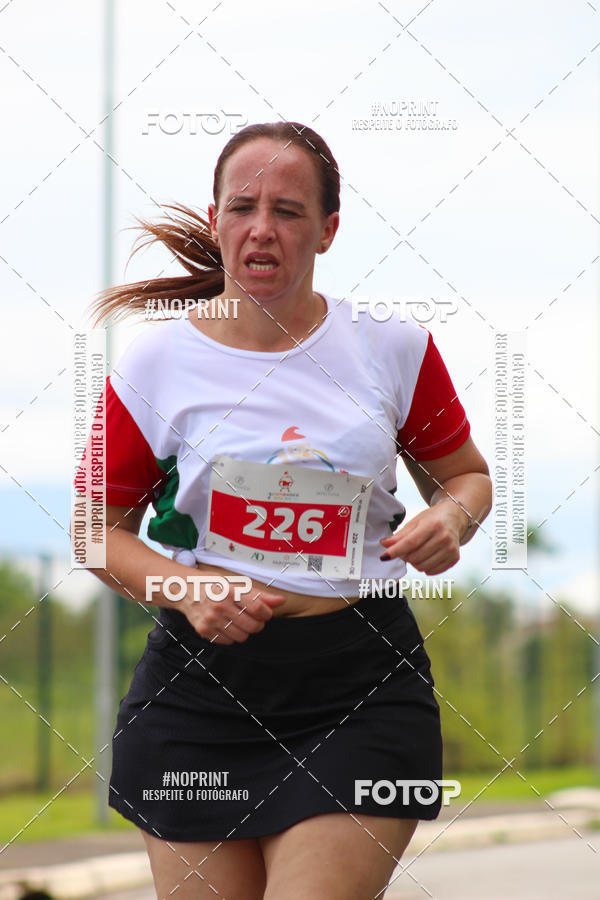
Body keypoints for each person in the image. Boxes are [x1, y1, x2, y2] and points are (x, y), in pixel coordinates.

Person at [75, 121, 492, 899]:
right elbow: (95, 529)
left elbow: (466, 477)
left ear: (328, 230)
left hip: (358, 685)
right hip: (199, 694)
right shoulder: (156, 363)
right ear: (216, 221)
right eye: (243, 207)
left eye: (289, 210)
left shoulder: (391, 346)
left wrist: (453, 518)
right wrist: (187, 587)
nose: (262, 227)